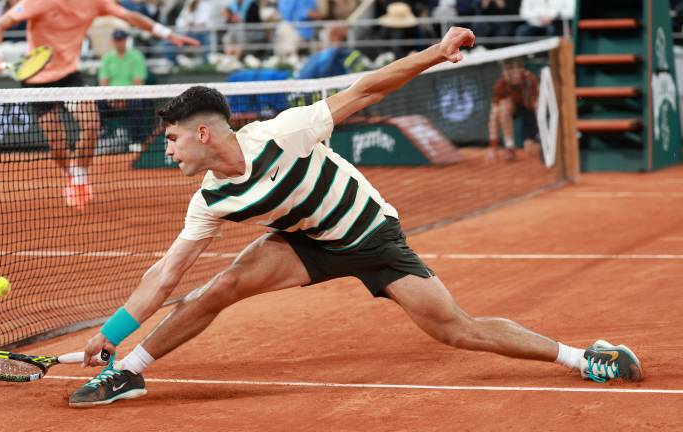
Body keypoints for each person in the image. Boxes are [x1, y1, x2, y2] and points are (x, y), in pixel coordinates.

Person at [68, 27, 643, 408]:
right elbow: (165, 276)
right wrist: (110, 335)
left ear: (202, 133)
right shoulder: (209, 200)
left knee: (456, 330)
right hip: (302, 240)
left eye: (171, 139)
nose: (167, 149)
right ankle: (129, 371)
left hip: (370, 235)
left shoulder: (283, 133)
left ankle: (582, 357)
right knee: (219, 288)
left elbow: (365, 90)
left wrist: (436, 52)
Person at [0, 0, 199, 210]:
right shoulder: (38, 2)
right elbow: (0, 24)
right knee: (57, 144)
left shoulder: (96, 2)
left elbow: (130, 16)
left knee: (92, 124)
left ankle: (79, 178)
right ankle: (71, 174)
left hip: (69, 77)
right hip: (36, 81)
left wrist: (167, 33)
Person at [488, 57, 539, 160]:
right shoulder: (501, 83)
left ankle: (536, 142)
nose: (512, 74)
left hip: (529, 110)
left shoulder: (530, 79)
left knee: (531, 149)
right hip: (512, 109)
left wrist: (536, 134)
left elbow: (537, 106)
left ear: (521, 69)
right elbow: (493, 116)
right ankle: (509, 147)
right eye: (508, 70)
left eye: (515, 69)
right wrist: (493, 147)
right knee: (500, 109)